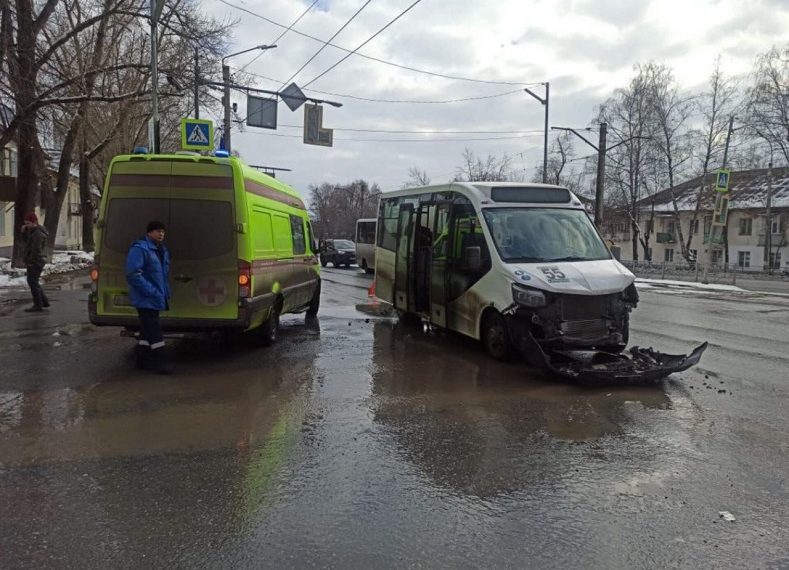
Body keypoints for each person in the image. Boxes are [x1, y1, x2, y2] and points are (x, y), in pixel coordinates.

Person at [125, 220, 172, 374]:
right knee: (154, 329)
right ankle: (159, 361)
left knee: (146, 329)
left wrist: (163, 292)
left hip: (155, 296)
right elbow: (133, 273)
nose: (161, 234)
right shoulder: (140, 249)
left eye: (163, 231)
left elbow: (162, 275)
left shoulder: (160, 250)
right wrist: (151, 291)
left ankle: (142, 358)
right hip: (145, 298)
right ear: (149, 232)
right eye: (158, 231)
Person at [21, 212, 50, 312]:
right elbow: (27, 243)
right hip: (36, 260)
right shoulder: (33, 231)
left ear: (35, 222)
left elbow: (36, 249)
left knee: (32, 281)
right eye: (26, 223)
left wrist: (30, 261)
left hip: (37, 260)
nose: (27, 225)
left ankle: (38, 305)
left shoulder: (37, 233)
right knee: (34, 281)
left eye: (28, 223)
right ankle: (44, 301)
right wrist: (24, 233)